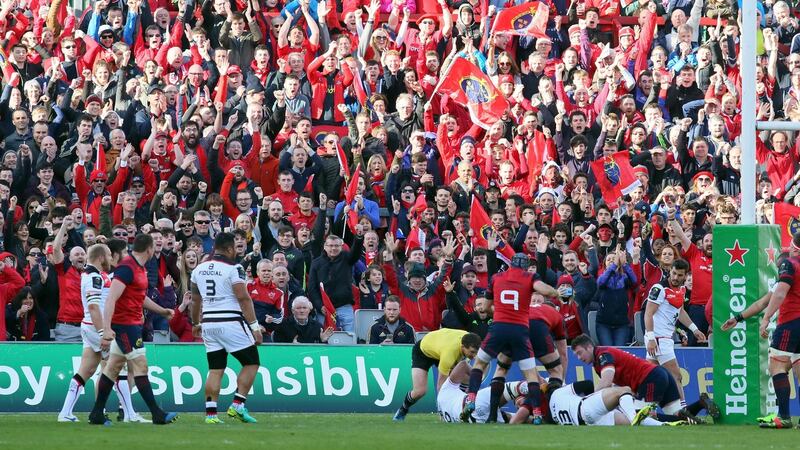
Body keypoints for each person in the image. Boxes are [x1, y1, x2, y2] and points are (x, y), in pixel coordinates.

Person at [87, 234, 177, 426]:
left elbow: (139, 297)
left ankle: (96, 413)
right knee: (141, 366)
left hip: (132, 324)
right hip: (125, 326)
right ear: (149, 249)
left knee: (113, 368)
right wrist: (107, 328)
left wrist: (162, 311)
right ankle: (157, 413)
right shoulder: (127, 267)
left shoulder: (138, 268)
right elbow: (111, 298)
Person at [57, 241, 148, 423]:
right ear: (100, 257)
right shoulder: (93, 277)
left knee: (86, 370)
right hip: (95, 327)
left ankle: (65, 412)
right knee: (117, 368)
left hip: (88, 326)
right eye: (107, 255)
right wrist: (102, 332)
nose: (110, 258)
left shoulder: (95, 275)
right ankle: (129, 413)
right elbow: (93, 306)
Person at [464, 253, 558, 424]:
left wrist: (499, 311)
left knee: (480, 364)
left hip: (498, 328)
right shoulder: (529, 277)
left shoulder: (496, 277)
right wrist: (556, 292)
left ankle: (471, 398)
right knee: (530, 375)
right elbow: (545, 290)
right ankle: (537, 413)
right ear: (525, 266)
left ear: (510, 264)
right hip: (520, 330)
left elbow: (485, 307)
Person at [190, 232, 263, 424]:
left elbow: (195, 299)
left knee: (215, 368)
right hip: (230, 321)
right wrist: (255, 326)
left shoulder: (199, 269)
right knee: (252, 362)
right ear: (230, 249)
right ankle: (238, 405)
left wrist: (195, 323)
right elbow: (243, 297)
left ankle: (211, 415)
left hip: (208, 323)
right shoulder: (234, 268)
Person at [571, 334, 712, 424]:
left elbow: (607, 382)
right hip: (659, 374)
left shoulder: (603, 355)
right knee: (675, 414)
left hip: (650, 378)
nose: (579, 358)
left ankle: (687, 422)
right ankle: (700, 403)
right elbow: (614, 387)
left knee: (642, 418)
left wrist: (589, 399)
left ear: (589, 347)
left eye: (579, 353)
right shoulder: (602, 356)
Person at [643, 259, 712, 414]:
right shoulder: (659, 288)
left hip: (664, 338)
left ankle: (645, 409)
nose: (675, 277)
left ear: (685, 275)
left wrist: (694, 329)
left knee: (651, 376)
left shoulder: (681, 289)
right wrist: (651, 337)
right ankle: (683, 411)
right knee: (677, 376)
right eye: (673, 273)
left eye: (679, 275)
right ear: (670, 271)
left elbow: (680, 312)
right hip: (659, 338)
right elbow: (648, 313)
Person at [755, 232, 800, 429]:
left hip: (791, 321)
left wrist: (766, 318)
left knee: (777, 367)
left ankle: (783, 417)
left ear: (794, 246)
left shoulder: (790, 264)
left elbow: (780, 292)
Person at [392, 328, 481, 421]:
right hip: (423, 352)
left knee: (466, 377)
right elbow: (441, 387)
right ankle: (403, 409)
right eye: (472, 352)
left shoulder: (469, 339)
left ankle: (459, 407)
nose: (474, 356)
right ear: (463, 347)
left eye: (476, 352)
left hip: (440, 347)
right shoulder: (449, 354)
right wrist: (442, 413)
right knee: (419, 391)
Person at [547, 382, 675, 426]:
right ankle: (634, 417)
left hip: (587, 424)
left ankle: (662, 425)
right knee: (624, 390)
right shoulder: (558, 392)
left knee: (626, 419)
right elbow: (587, 384)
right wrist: (594, 397)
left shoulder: (552, 414)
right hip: (585, 408)